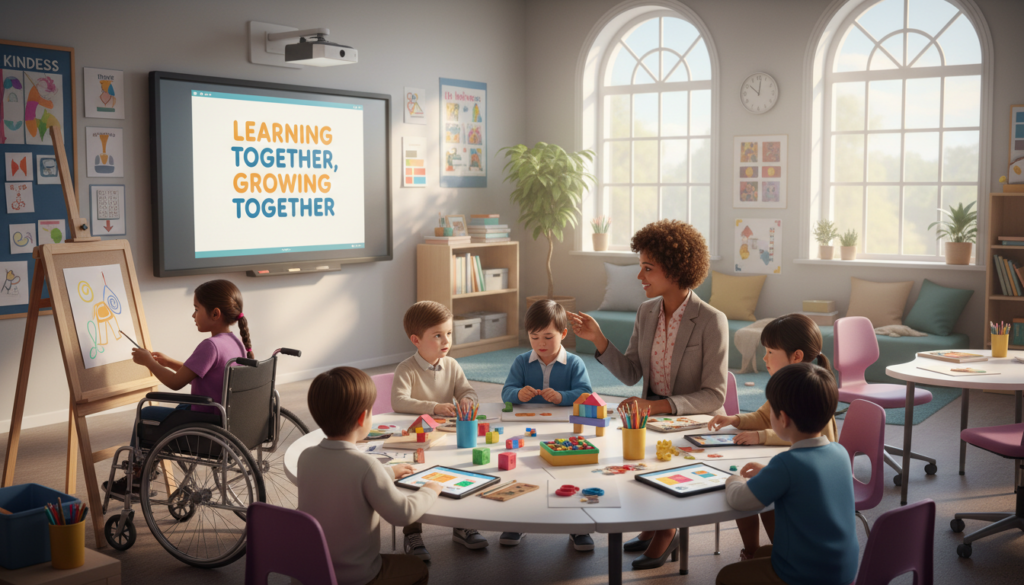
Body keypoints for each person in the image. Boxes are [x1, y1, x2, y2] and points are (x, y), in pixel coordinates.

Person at [568, 219, 727, 570]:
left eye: (648, 268)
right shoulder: (646, 311)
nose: (639, 276)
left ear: (676, 269)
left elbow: (714, 395)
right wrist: (599, 339)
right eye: (640, 266)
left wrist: (656, 406)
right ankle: (654, 523)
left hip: (690, 421)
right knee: (628, 455)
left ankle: (666, 529)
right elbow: (631, 374)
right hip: (650, 420)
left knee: (654, 456)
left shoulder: (711, 320)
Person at [707, 313, 839, 560]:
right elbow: (766, 417)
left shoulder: (810, 391)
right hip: (832, 558)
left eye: (770, 352)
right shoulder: (792, 385)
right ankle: (756, 554)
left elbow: (816, 435)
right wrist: (735, 420)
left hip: (807, 559)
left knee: (726, 575)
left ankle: (766, 559)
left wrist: (733, 478)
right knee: (765, 493)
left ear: (796, 356)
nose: (764, 358)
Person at [105, 279, 252, 495]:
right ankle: (145, 468)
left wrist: (149, 363)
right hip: (224, 419)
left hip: (205, 422)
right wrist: (169, 362)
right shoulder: (234, 342)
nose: (193, 315)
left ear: (215, 314)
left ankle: (135, 478)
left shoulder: (210, 345)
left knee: (146, 413)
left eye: (196, 309)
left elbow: (176, 383)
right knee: (177, 410)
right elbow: (203, 375)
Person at [716, 362, 858, 585]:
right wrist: (769, 473)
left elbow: (740, 500)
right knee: (762, 553)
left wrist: (733, 479)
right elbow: (806, 480)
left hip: (806, 575)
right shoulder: (839, 452)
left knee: (726, 576)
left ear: (783, 418)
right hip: (842, 569)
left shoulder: (787, 463)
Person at [300, 367, 440, 585]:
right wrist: (430, 490)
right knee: (418, 569)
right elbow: (403, 514)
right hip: (354, 577)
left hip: (310, 573)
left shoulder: (306, 457)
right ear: (362, 418)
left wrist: (388, 472)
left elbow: (343, 477)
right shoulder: (366, 465)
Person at [497, 299, 594, 551]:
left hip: (564, 429)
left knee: (571, 472)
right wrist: (518, 394)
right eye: (534, 337)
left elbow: (585, 393)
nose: (541, 343)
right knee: (519, 469)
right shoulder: (521, 362)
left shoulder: (574, 363)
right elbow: (507, 391)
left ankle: (578, 525)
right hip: (526, 428)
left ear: (563, 334)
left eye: (548, 337)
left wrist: (562, 397)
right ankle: (517, 520)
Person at [391, 301, 484, 560]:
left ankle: (462, 524)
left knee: (462, 470)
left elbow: (468, 391)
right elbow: (399, 401)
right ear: (416, 340)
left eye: (449, 333)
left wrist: (467, 400)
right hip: (417, 438)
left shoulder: (452, 365)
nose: (446, 340)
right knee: (413, 480)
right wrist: (434, 407)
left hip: (446, 435)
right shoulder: (406, 368)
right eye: (438, 335)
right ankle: (412, 533)